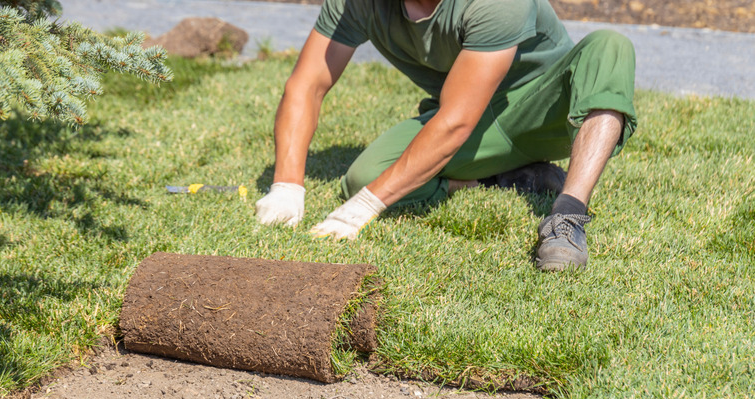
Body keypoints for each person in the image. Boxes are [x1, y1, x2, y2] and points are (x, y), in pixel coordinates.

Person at [255, 0, 637, 271]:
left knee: (609, 47)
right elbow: (307, 84)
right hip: (471, 116)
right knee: (364, 177)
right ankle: (505, 177)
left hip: (545, 112)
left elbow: (456, 122)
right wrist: (286, 185)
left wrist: (365, 208)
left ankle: (566, 217)